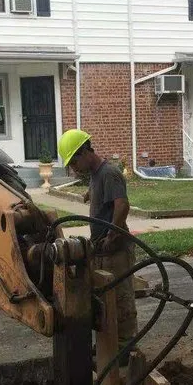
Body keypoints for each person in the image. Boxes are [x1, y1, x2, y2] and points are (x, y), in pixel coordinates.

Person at [58, 129, 138, 346]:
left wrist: (112, 235)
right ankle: (108, 345)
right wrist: (90, 194)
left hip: (116, 249)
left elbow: (122, 205)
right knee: (104, 300)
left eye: (74, 164)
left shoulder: (109, 173)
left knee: (121, 299)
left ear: (84, 152)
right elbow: (105, 197)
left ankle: (126, 346)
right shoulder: (96, 175)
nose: (74, 170)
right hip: (102, 249)